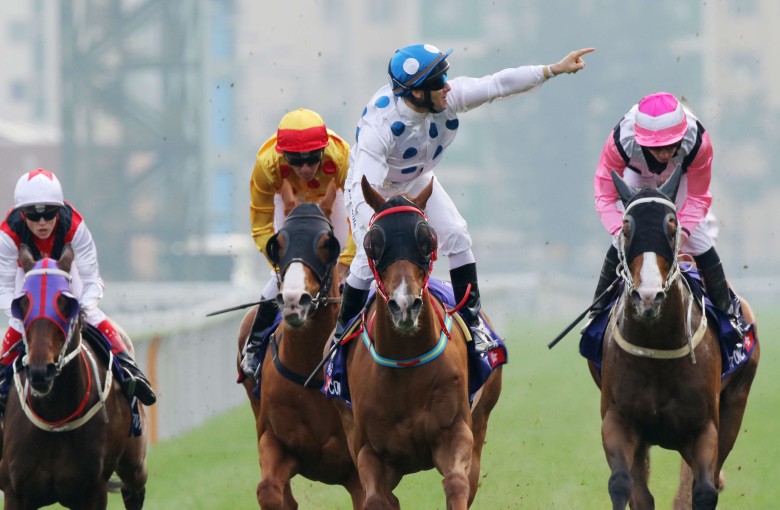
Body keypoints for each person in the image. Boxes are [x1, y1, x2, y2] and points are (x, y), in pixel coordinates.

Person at [341, 43, 595, 350]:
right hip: (372, 189)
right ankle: (342, 334)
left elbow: (496, 84)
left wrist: (551, 70)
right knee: (367, 258)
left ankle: (473, 325)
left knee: (458, 235)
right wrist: (372, 233)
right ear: (417, 93)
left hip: (416, 178)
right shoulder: (378, 129)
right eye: (438, 82)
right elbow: (362, 189)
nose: (447, 86)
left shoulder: (445, 98)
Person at [0, 169, 156, 408]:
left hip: (66, 272)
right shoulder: (7, 234)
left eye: (49, 214)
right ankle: (3, 380)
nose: (42, 223)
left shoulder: (74, 225)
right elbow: (5, 287)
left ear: (59, 210)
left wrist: (82, 308)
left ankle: (129, 371)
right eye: (33, 216)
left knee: (90, 314)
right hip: (27, 274)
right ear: (22, 215)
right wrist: (21, 316)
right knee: (16, 322)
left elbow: (92, 280)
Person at [589, 91, 742, 326]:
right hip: (637, 176)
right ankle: (597, 315)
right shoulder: (620, 140)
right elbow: (605, 195)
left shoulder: (698, 140)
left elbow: (698, 198)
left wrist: (679, 235)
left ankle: (729, 315)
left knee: (699, 240)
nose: (664, 153)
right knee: (621, 240)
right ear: (640, 139)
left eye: (671, 145)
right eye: (656, 147)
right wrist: (622, 231)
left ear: (681, 135)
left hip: (679, 177)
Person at [243, 108, 356, 377]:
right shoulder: (267, 164)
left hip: (335, 199)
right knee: (281, 280)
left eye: (312, 159)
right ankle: (254, 344)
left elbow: (360, 220)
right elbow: (261, 226)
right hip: (288, 203)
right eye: (296, 161)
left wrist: (345, 263)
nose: (305, 168)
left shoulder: (343, 158)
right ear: (283, 156)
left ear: (324, 151)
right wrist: (282, 267)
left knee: (357, 274)